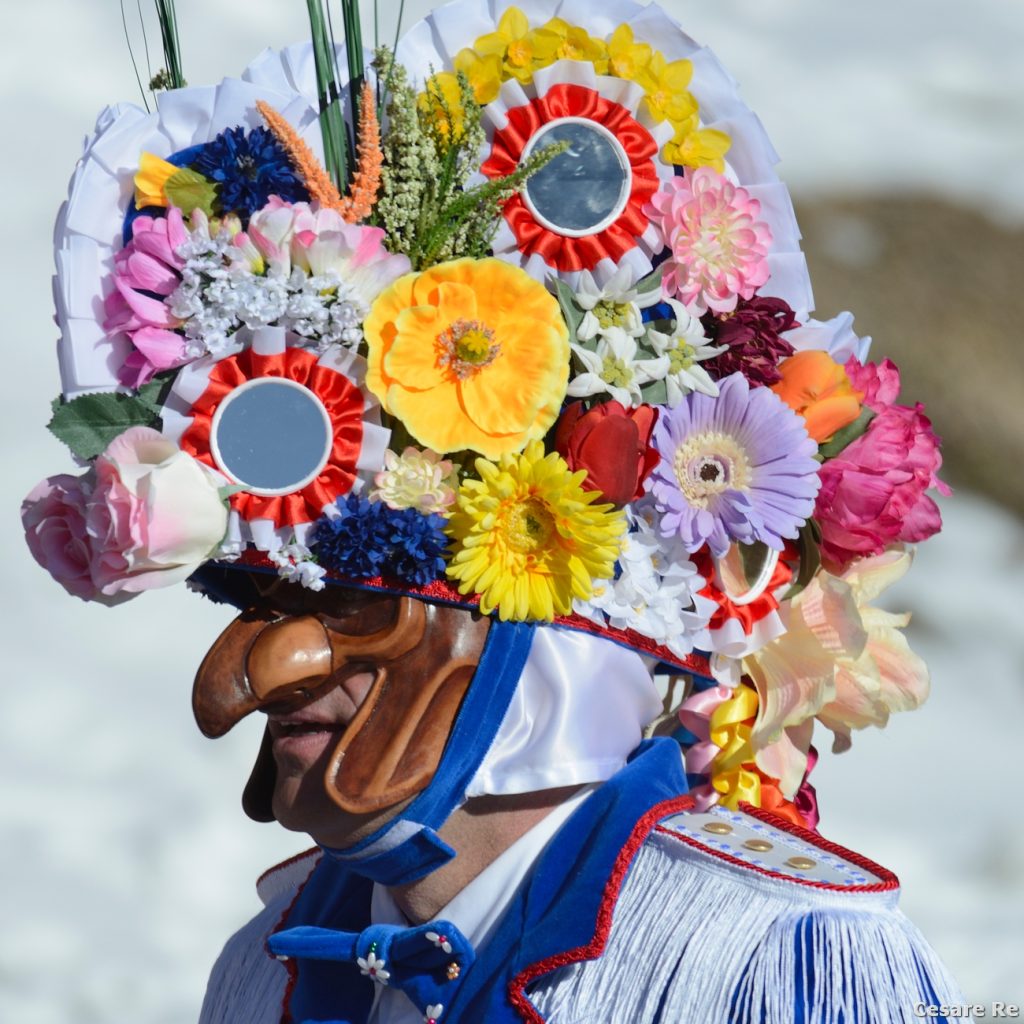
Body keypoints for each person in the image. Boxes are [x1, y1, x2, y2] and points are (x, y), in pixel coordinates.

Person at [18, 0, 962, 1020]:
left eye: (352, 599)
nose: (253, 668)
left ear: (558, 617)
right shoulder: (265, 968)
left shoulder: (769, 958)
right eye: (249, 596)